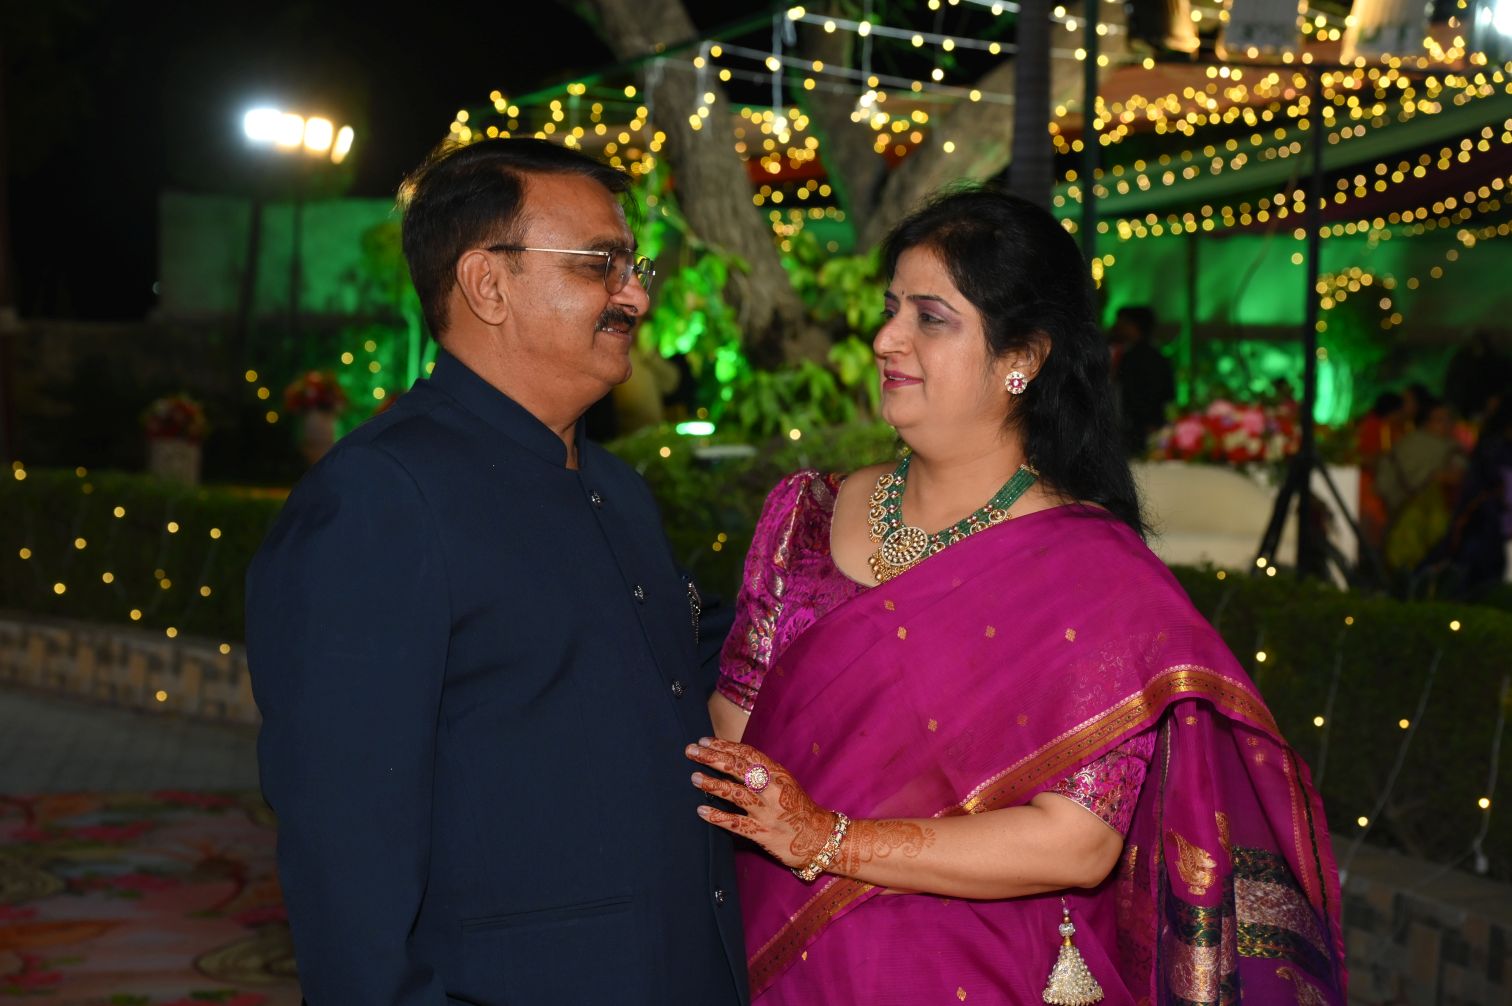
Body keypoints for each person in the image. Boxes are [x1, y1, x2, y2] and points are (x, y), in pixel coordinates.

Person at [686, 187, 1346, 1004]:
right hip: (771, 951)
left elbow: (1077, 844)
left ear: (1021, 359)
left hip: (969, 970)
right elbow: (735, 739)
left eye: (931, 318)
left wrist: (832, 840)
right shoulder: (804, 518)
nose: (887, 338)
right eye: (891, 309)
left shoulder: (1090, 572)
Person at [246, 138, 748, 1004]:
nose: (634, 293)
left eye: (632, 266)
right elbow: (345, 857)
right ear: (488, 284)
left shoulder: (616, 488)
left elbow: (673, 683)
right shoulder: (381, 499)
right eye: (599, 264)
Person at [1377, 396, 1467, 572]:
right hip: (1408, 505)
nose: (1445, 424)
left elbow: (1458, 475)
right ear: (1427, 422)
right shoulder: (1411, 443)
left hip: (1444, 508)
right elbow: (1397, 474)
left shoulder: (1453, 447)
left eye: (1448, 419)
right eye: (1439, 420)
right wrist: (1434, 478)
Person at [1108, 304, 1175, 456]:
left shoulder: (1142, 357)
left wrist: (1150, 423)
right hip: (1135, 431)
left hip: (1140, 432)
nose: (1116, 327)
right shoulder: (1132, 354)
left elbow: (1158, 394)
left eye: (1122, 323)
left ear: (1134, 326)